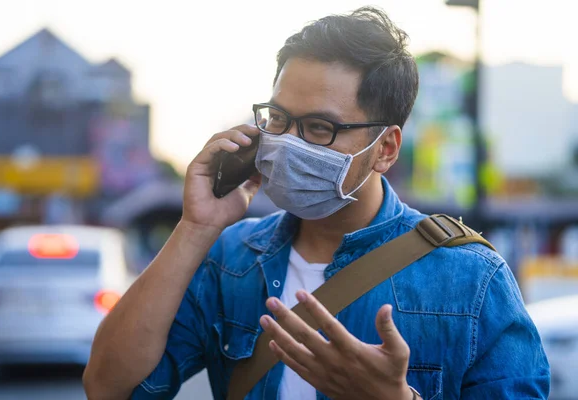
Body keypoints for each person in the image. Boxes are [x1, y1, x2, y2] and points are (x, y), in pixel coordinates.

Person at [83, 7, 550, 400]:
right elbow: (108, 387)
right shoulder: (230, 259)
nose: (287, 143)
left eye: (320, 129)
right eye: (279, 118)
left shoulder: (472, 278)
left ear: (385, 148)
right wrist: (195, 227)